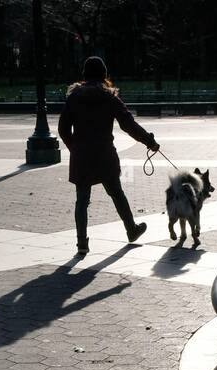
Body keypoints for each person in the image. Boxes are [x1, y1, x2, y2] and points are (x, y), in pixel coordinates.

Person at [57, 56, 160, 255]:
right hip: (105, 154)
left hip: (82, 157)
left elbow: (63, 129)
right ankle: (131, 229)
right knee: (117, 193)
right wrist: (149, 141)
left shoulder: (74, 97)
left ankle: (82, 244)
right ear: (104, 75)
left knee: (81, 200)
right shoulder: (109, 97)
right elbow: (128, 125)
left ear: (84, 75)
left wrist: (75, 148)